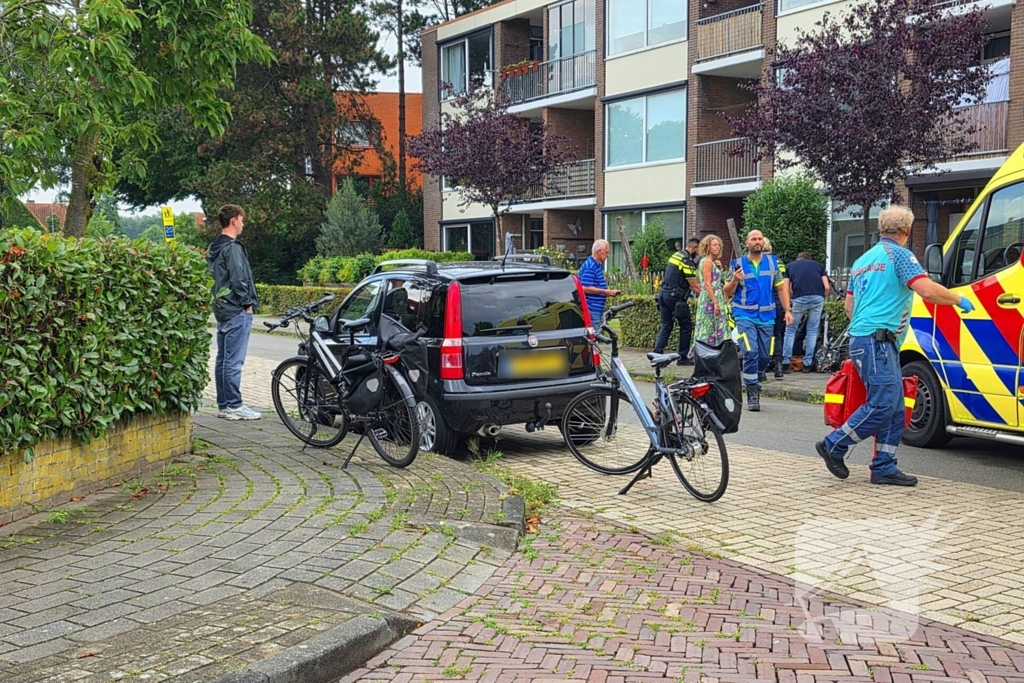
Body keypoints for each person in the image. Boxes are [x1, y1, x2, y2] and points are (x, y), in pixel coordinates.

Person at [816, 205, 973, 487]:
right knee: (883, 404)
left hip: (865, 339)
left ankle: (884, 466)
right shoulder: (900, 256)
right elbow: (925, 289)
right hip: (879, 341)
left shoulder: (862, 260)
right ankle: (834, 444)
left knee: (896, 406)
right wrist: (958, 299)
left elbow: (850, 307)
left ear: (881, 228)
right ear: (908, 230)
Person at [723, 230, 793, 412]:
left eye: (760, 239)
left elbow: (781, 289)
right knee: (750, 351)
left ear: (763, 242)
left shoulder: (772, 263)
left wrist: (787, 310)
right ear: (747, 243)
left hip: (767, 317)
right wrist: (734, 280)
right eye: (753, 239)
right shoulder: (737, 264)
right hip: (744, 314)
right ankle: (753, 391)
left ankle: (758, 374)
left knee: (764, 356)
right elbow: (727, 292)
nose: (757, 242)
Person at [207, 204, 261, 421]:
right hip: (237, 309)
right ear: (234, 221)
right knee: (234, 360)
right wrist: (247, 303)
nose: (243, 223)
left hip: (221, 308)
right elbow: (239, 278)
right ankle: (234, 405)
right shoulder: (233, 248)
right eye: (242, 219)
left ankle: (224, 404)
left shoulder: (213, 248)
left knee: (223, 359)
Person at [653, 240, 700, 364]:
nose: (698, 254)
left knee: (666, 325)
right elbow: (694, 285)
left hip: (663, 295)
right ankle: (682, 358)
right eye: (698, 251)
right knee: (686, 327)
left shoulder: (676, 255)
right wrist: (707, 299)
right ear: (694, 248)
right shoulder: (686, 260)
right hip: (676, 297)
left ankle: (657, 354)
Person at [782, 252, 829, 374]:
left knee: (791, 329)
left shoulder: (790, 266)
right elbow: (827, 286)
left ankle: (786, 362)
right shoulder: (818, 265)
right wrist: (823, 297)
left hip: (799, 297)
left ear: (798, 259)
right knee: (812, 330)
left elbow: (786, 287)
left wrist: (791, 300)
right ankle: (807, 364)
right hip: (817, 298)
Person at [694, 235, 731, 347]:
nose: (717, 247)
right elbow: (707, 283)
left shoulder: (711, 261)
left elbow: (716, 279)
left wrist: (719, 269)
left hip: (714, 295)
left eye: (719, 245)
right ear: (707, 247)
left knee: (712, 325)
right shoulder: (707, 261)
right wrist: (715, 302)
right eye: (714, 245)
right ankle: (710, 349)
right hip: (710, 297)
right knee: (710, 325)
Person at [762, 238, 789, 379]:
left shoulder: (759, 262)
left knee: (764, 335)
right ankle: (778, 365)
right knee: (777, 334)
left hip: (765, 300)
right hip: (778, 301)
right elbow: (783, 286)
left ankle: (764, 365)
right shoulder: (779, 263)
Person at [578, 239, 620, 324]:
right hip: (592, 310)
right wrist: (605, 292)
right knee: (596, 335)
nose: (608, 255)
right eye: (606, 252)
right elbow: (585, 288)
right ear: (599, 251)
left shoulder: (597, 266)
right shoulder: (590, 266)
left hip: (597, 310)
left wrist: (608, 293)